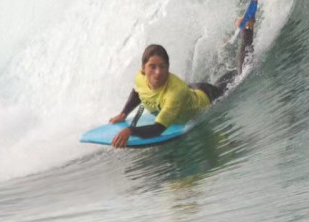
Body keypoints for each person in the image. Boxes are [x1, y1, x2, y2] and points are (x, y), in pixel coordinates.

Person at [109, 23, 254, 149]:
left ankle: (247, 29)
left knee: (242, 73)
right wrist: (124, 113)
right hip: (189, 92)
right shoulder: (140, 78)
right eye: (152, 67)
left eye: (162, 67)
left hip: (206, 96)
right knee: (229, 76)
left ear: (168, 67)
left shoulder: (174, 93)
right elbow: (137, 91)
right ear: (143, 69)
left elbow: (158, 129)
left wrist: (131, 131)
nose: (158, 72)